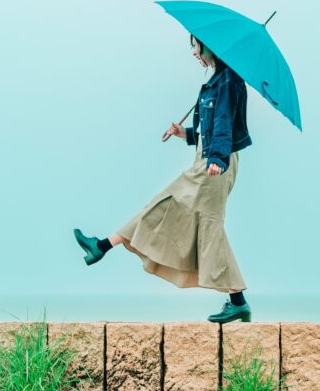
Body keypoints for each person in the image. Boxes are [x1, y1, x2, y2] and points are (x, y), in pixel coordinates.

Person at [73, 34, 253, 323]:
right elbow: (208, 129)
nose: (193, 52)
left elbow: (223, 123)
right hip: (207, 159)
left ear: (208, 45)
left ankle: (102, 246)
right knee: (181, 214)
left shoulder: (228, 80)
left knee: (202, 224)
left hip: (214, 163)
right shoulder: (216, 80)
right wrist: (185, 133)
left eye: (195, 45)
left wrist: (217, 159)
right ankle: (102, 246)